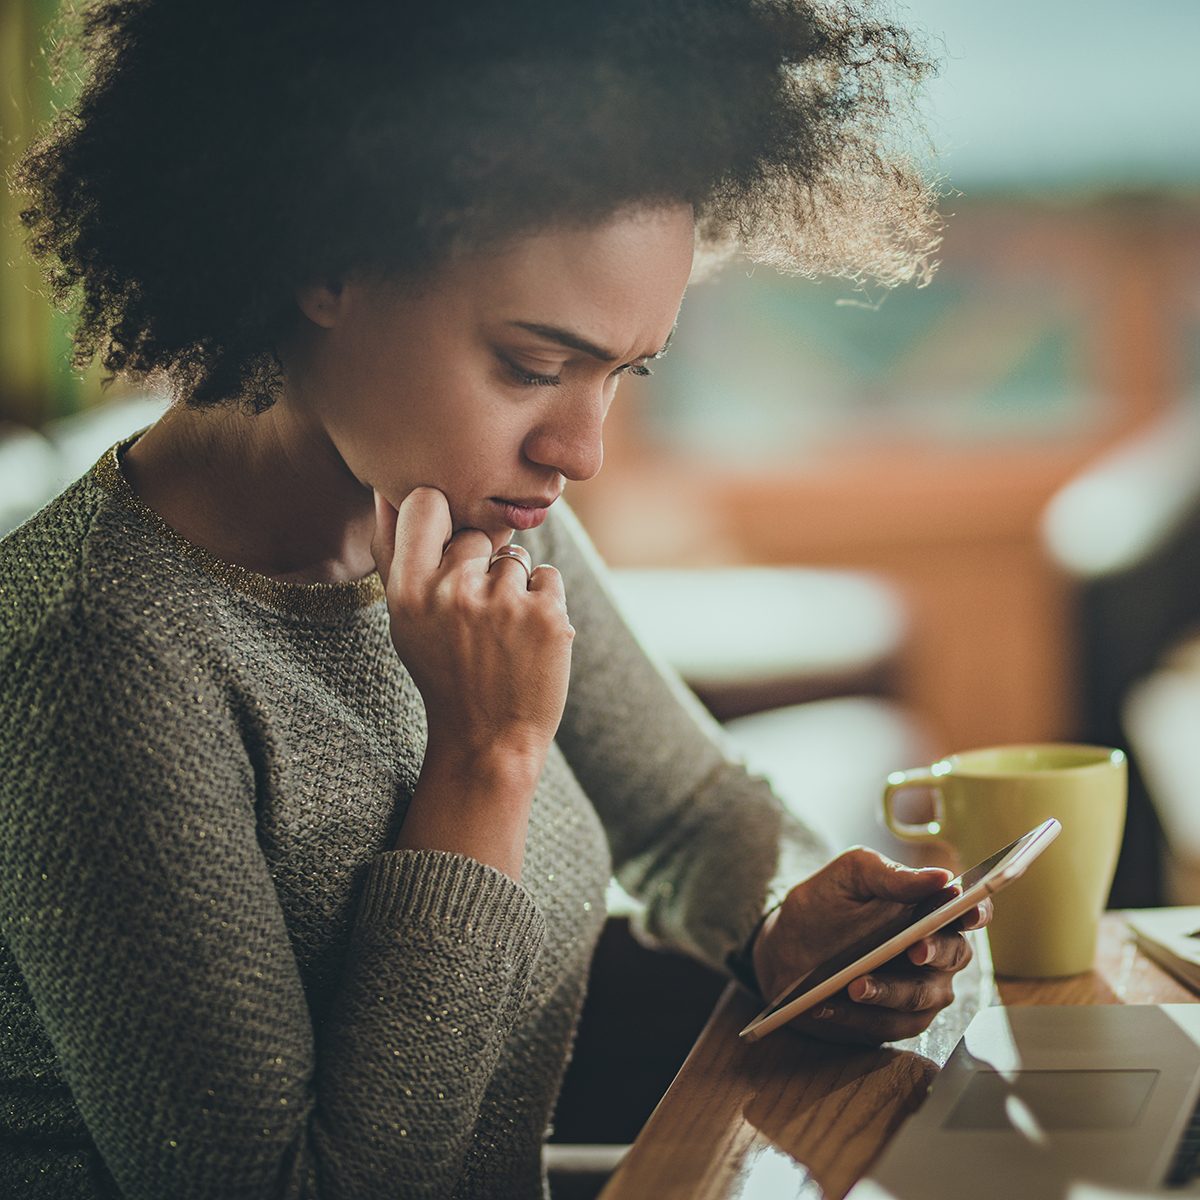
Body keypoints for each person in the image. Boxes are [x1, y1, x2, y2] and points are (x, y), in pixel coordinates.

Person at [0, 1, 985, 1196]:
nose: (581, 450)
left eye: (625, 374)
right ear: (325, 261)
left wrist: (794, 924)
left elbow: (687, 812)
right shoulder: (97, 658)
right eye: (532, 366)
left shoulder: (472, 504)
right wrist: (481, 762)